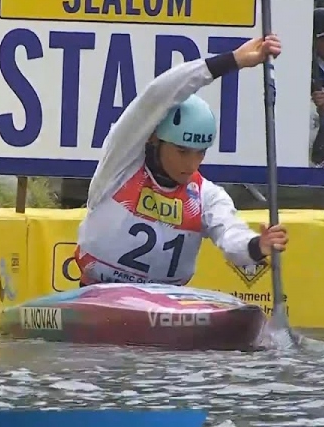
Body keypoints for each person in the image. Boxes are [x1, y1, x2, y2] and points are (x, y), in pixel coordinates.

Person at [73, 36, 289, 287]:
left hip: (165, 310)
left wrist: (257, 245)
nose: (192, 164)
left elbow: (231, 235)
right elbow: (157, 95)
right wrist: (233, 61)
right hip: (97, 294)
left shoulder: (206, 195)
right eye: (183, 151)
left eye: (200, 153)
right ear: (155, 138)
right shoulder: (120, 166)